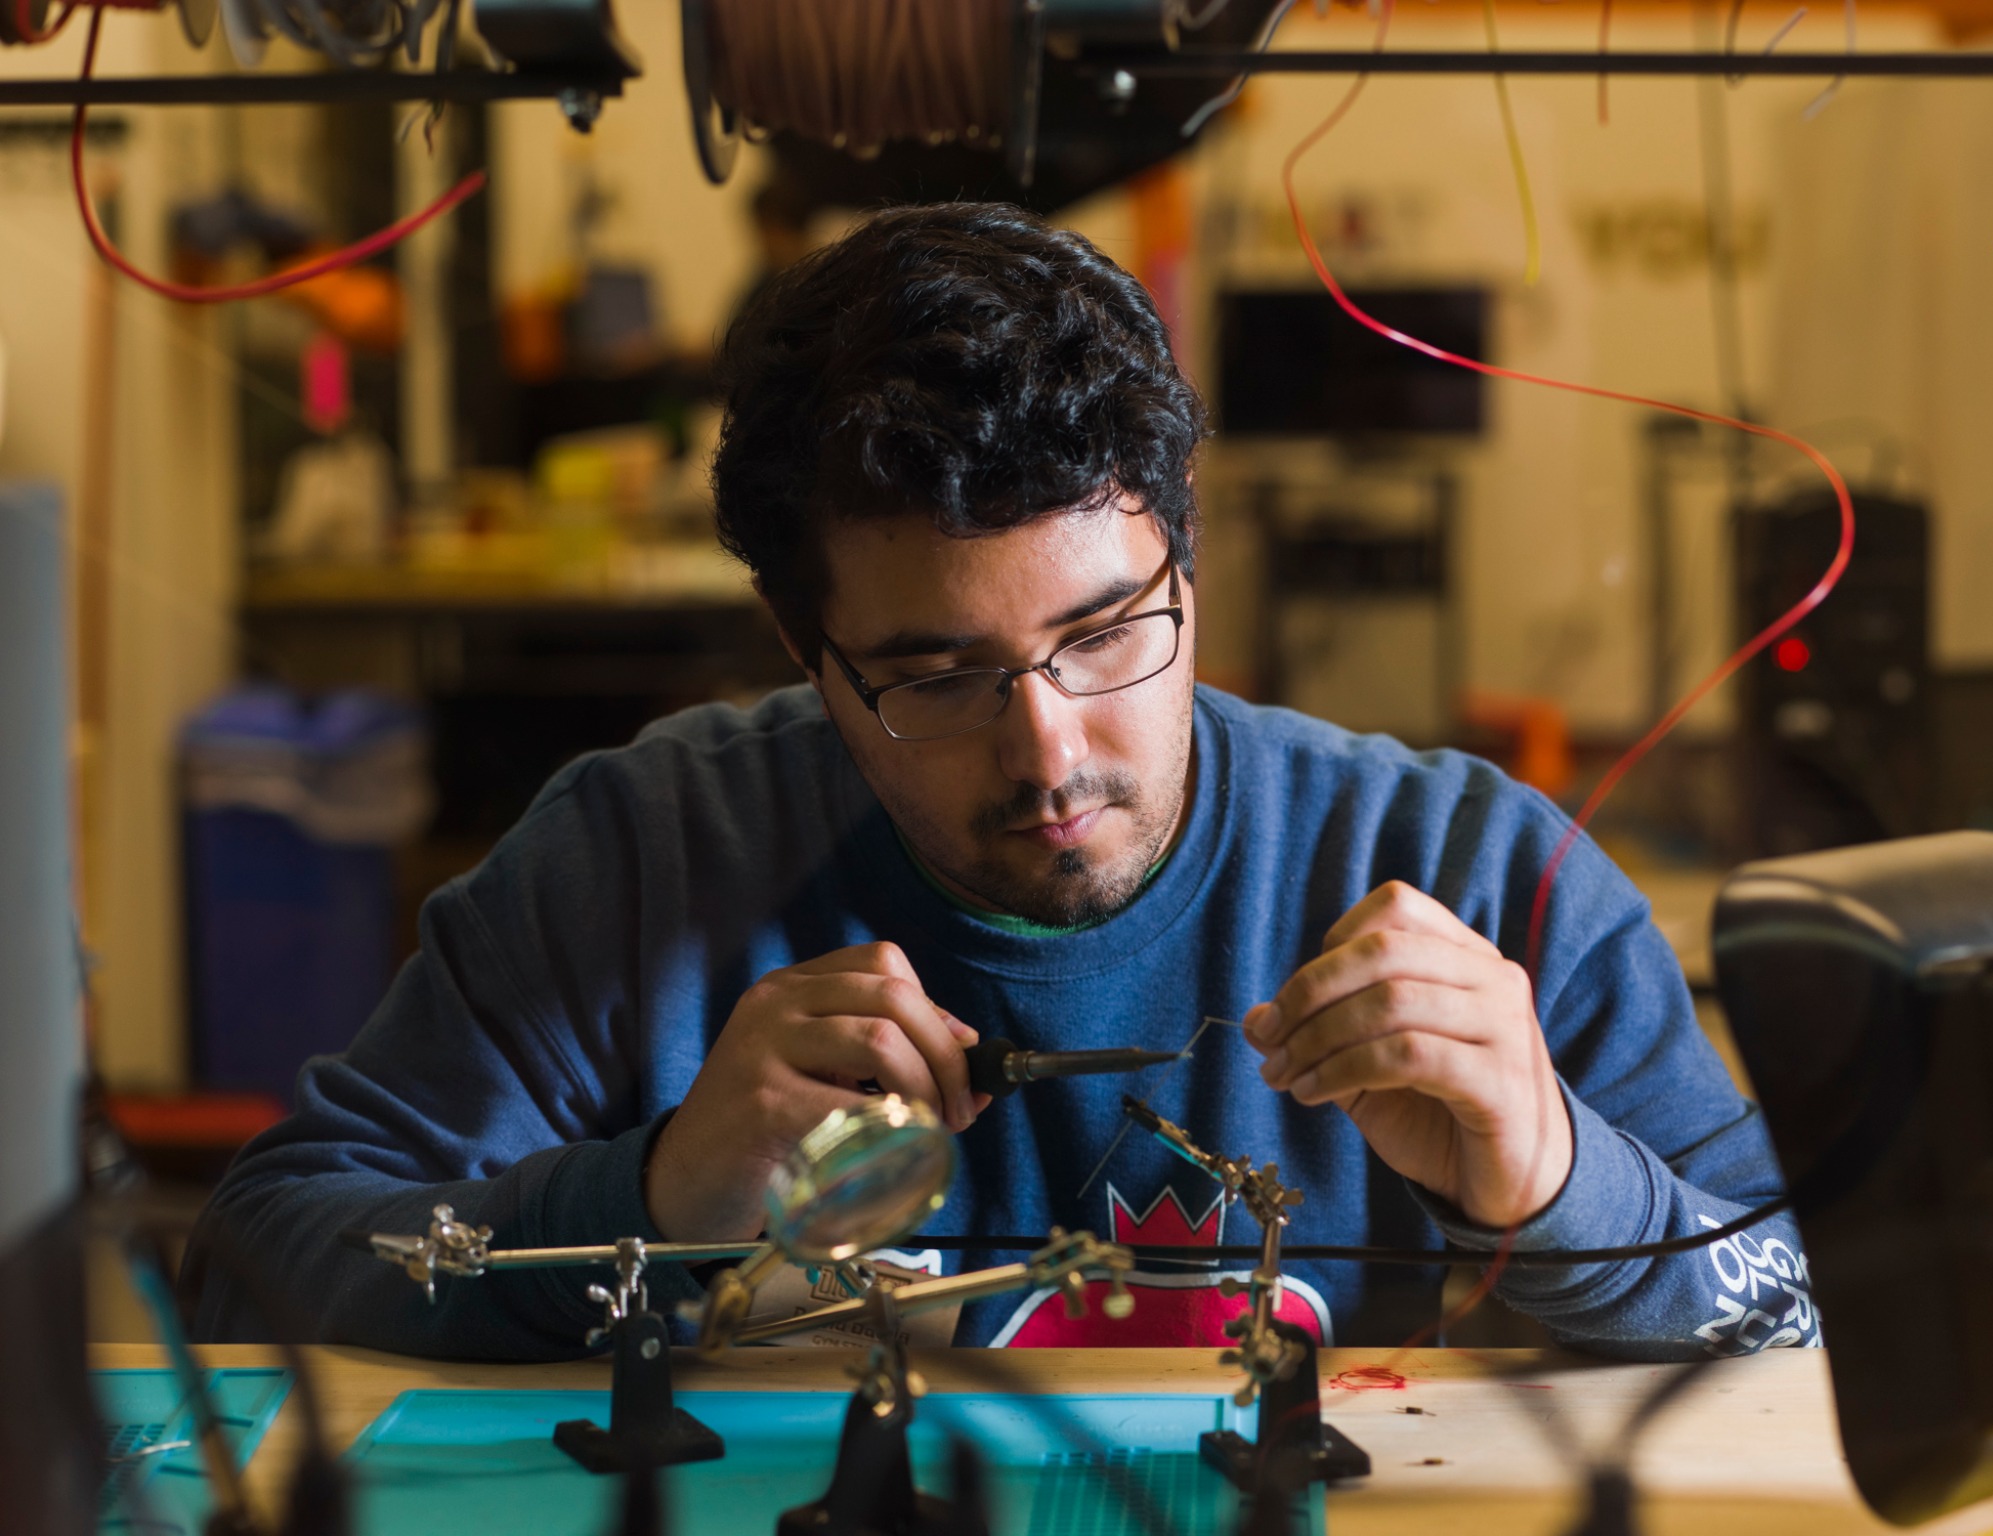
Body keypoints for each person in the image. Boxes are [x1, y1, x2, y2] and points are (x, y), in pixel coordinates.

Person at [184, 202, 1818, 1362]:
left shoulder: (1468, 865)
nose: (1048, 751)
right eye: (936, 677)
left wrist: (1553, 1175)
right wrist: (660, 1195)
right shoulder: (641, 857)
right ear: (801, 646)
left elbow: (1811, 1299)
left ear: (1191, 561)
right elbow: (264, 1256)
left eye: (1108, 632)